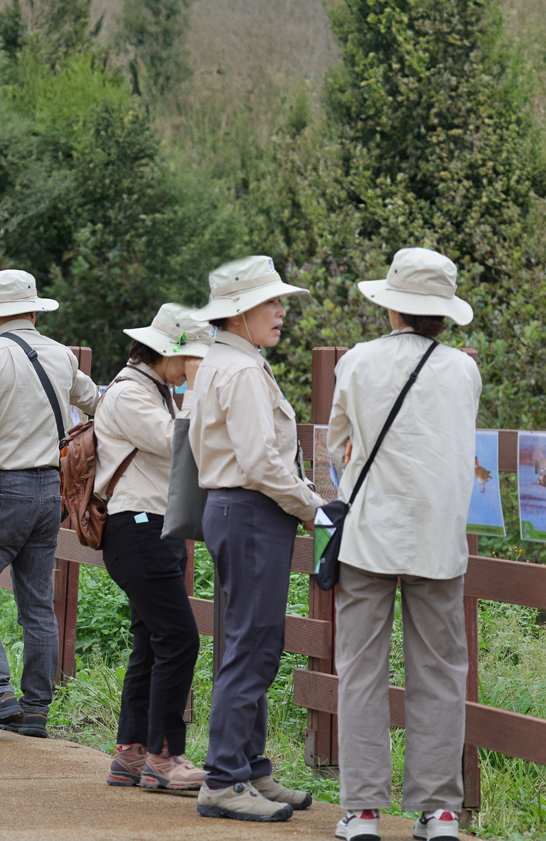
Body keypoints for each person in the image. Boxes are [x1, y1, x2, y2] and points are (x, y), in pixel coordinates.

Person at [328, 249, 481, 841]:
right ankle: (440, 812)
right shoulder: (463, 370)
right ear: (443, 313)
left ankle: (363, 811)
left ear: (391, 306)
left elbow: (337, 443)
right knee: (440, 672)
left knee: (360, 670)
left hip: (369, 535)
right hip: (439, 540)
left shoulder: (358, 361)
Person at [188, 255, 319, 823]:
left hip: (238, 511)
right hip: (251, 511)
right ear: (239, 312)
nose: (282, 311)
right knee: (254, 644)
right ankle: (223, 779)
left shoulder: (224, 361)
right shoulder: (240, 370)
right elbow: (262, 462)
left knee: (252, 639)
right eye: (272, 302)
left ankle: (249, 766)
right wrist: (314, 508)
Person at [0, 268, 99, 737]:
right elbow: (97, 402)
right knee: (37, 602)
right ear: (33, 311)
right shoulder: (62, 355)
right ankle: (35, 709)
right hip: (50, 489)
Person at [94, 303, 212, 793]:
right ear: (168, 353)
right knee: (180, 638)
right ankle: (165, 754)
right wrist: (197, 389)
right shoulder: (130, 394)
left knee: (152, 640)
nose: (196, 368)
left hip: (152, 528)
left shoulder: (153, 390)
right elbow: (181, 443)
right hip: (139, 527)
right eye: (193, 358)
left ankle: (131, 753)